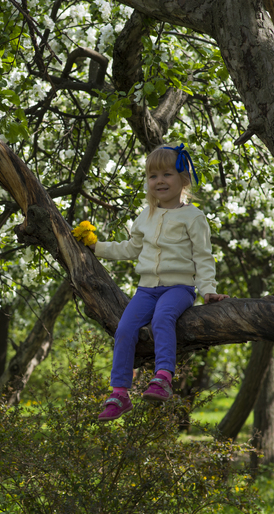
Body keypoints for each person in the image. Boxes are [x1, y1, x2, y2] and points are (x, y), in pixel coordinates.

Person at [74, 144, 229, 421]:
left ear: (184, 179)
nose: (159, 181)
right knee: (124, 329)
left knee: (162, 319)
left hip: (178, 288)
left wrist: (208, 290)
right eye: (153, 176)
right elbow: (130, 248)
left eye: (167, 174)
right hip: (146, 289)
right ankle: (120, 393)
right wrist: (96, 247)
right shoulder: (145, 215)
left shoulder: (193, 217)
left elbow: (203, 257)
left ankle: (163, 377)